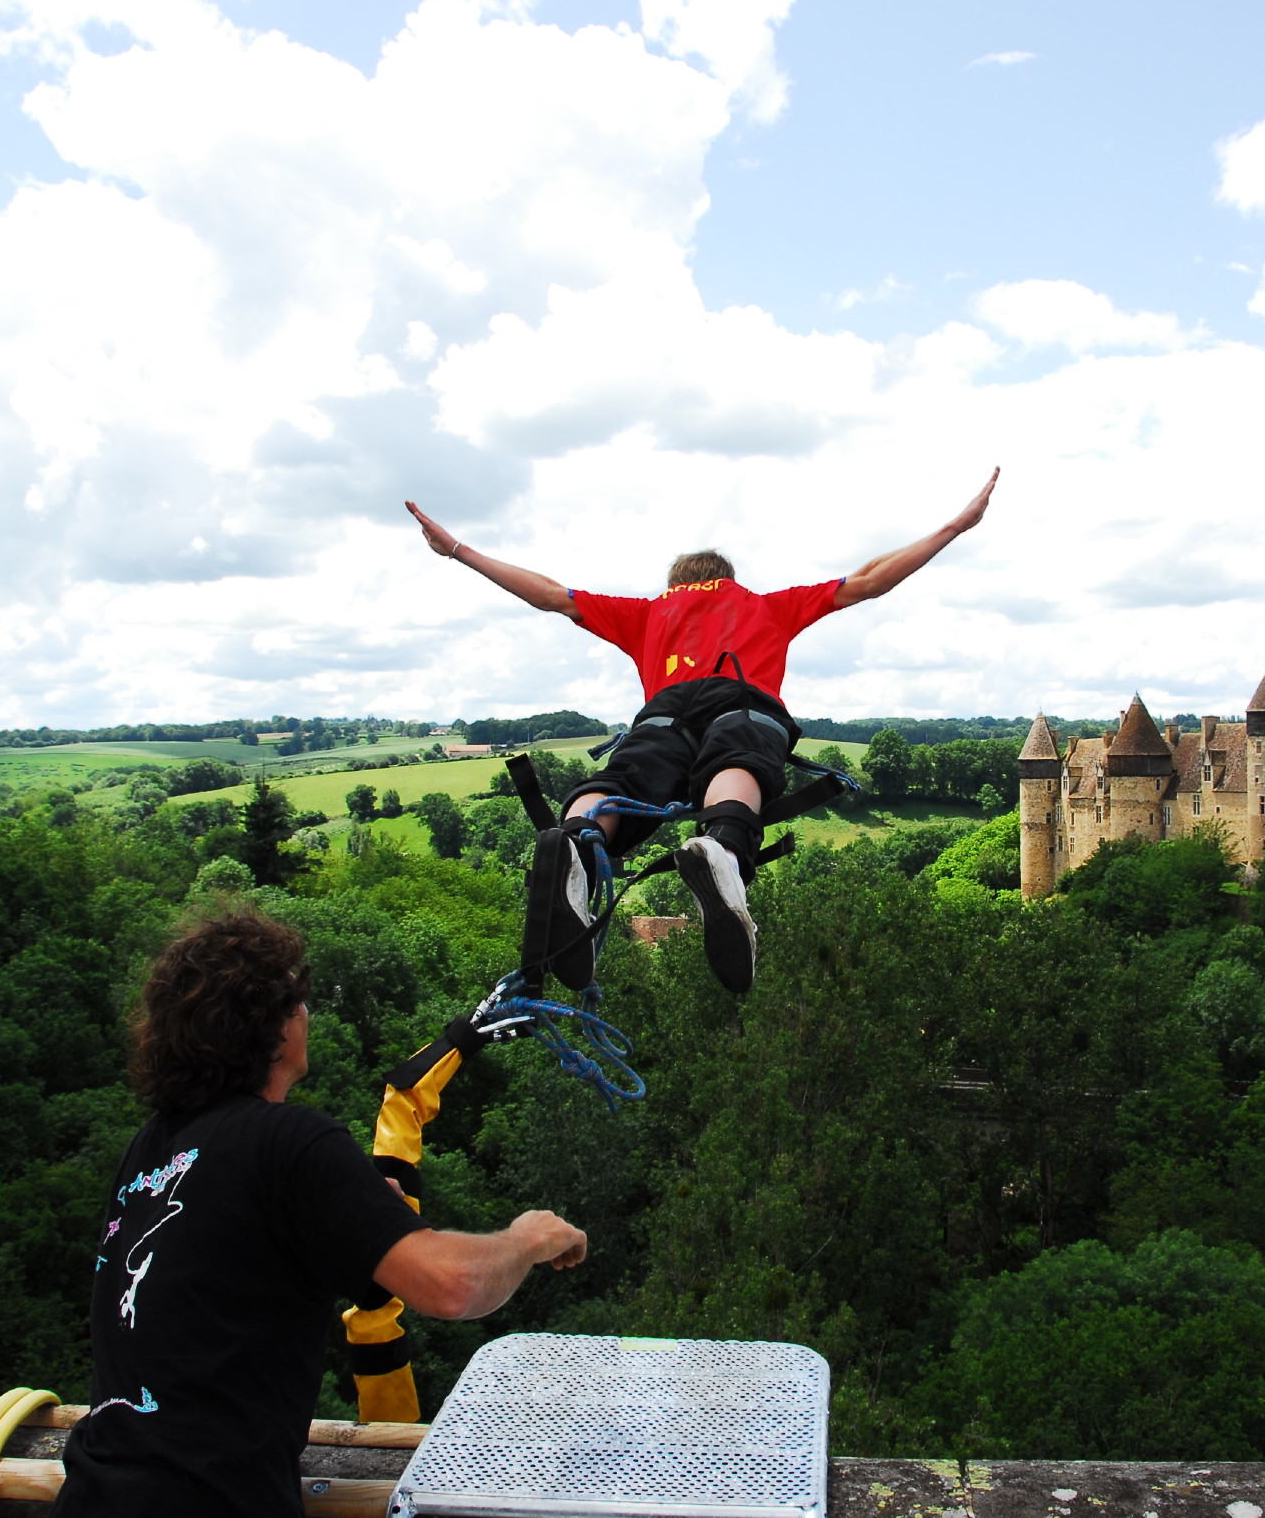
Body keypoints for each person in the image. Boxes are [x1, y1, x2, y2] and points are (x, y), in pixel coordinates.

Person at [57, 910, 586, 1518]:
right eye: (299, 1001)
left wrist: (359, 1220)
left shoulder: (151, 1149)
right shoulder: (289, 1142)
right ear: (277, 1030)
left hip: (94, 1493)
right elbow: (454, 1286)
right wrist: (526, 1238)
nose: (307, 1014)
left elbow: (219, 1281)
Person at [406, 468, 997, 995]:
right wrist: (955, 527)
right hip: (739, 695)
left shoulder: (646, 612)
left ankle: (576, 842)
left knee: (625, 775)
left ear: (675, 584)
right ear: (726, 579)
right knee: (736, 757)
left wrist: (457, 549)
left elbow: (550, 595)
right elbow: (869, 580)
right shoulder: (764, 605)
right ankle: (723, 845)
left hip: (663, 710)